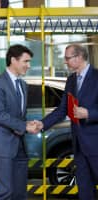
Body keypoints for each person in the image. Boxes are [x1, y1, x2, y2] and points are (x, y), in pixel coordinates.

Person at [32, 44, 98, 200]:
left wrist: (89, 113)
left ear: (79, 57)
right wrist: (42, 124)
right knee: (85, 189)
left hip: (95, 143)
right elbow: (62, 110)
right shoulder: (71, 80)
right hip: (79, 145)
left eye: (67, 58)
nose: (65, 62)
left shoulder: (97, 77)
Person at [0, 44, 35, 200]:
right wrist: (23, 126)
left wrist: (30, 124)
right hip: (3, 146)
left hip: (20, 144)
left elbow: (20, 114)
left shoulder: (23, 85)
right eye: (26, 61)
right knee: (5, 192)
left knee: (20, 193)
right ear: (13, 60)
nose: (29, 66)